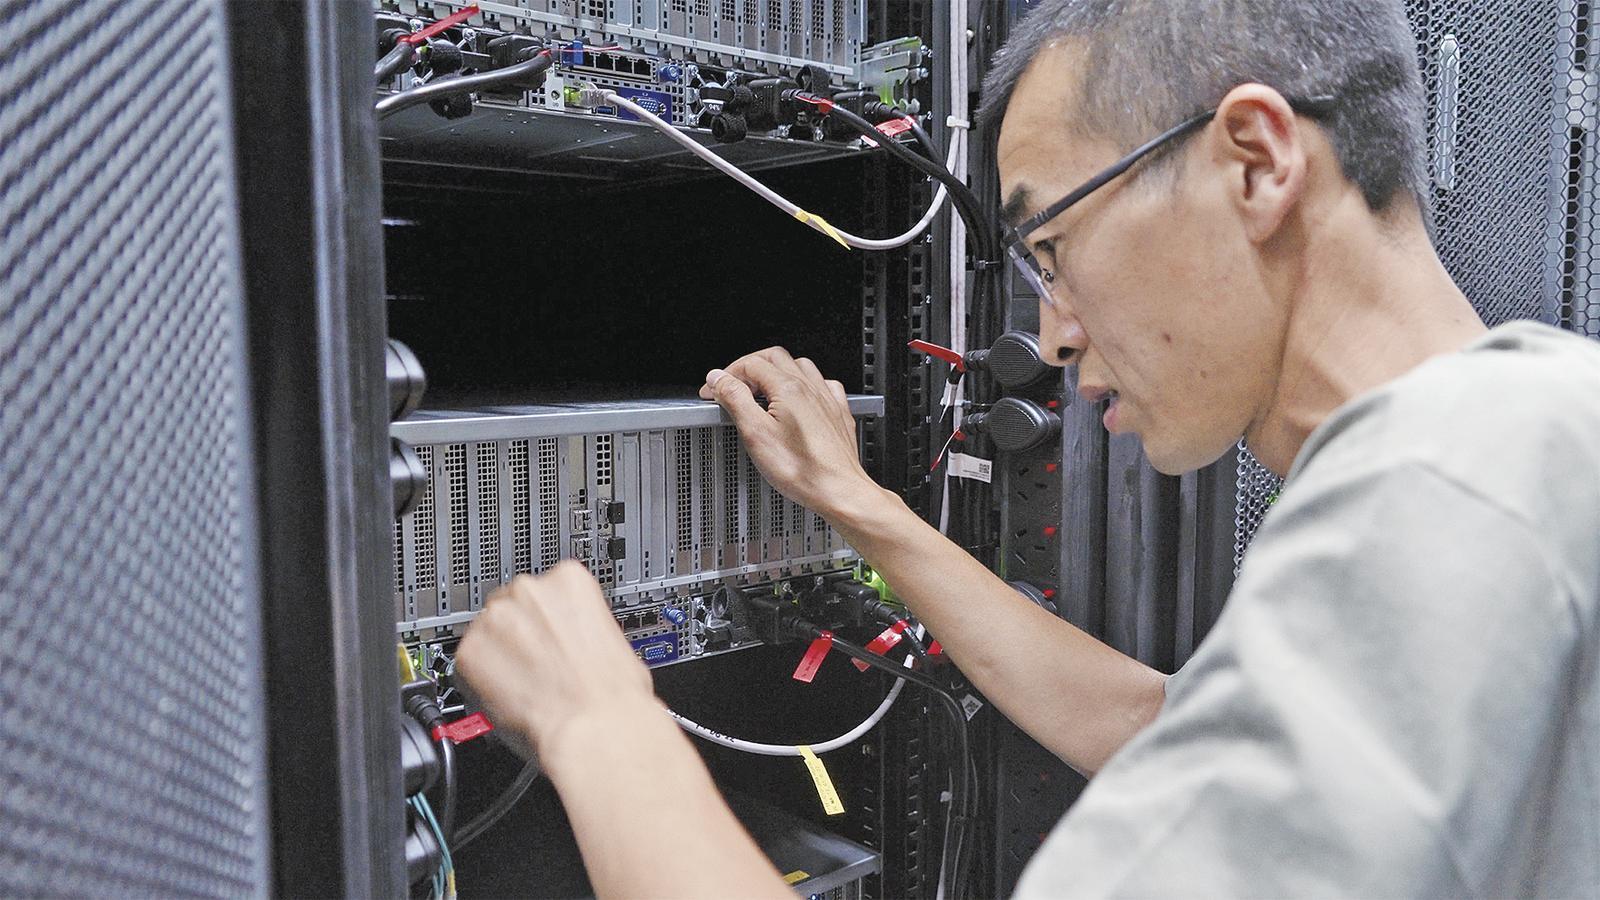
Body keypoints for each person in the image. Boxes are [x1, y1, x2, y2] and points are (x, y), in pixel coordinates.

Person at [457, 0, 1600, 894]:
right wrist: (863, 509)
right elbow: (1158, 729)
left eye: (1050, 248)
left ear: (1254, 162)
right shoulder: (1533, 430)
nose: (1049, 335)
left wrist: (597, 726)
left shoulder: (1439, 487)